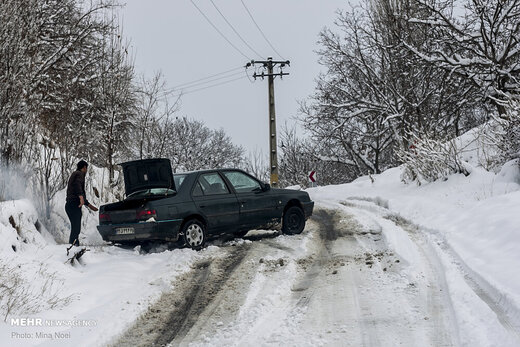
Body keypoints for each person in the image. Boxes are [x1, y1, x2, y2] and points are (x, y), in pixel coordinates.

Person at [65, 160, 98, 246]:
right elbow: (77, 185)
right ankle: (74, 246)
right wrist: (80, 196)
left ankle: (73, 245)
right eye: (86, 168)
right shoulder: (79, 174)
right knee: (76, 228)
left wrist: (89, 205)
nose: (86, 170)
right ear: (84, 167)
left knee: (75, 227)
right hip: (74, 205)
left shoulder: (75, 174)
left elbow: (79, 191)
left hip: (70, 205)